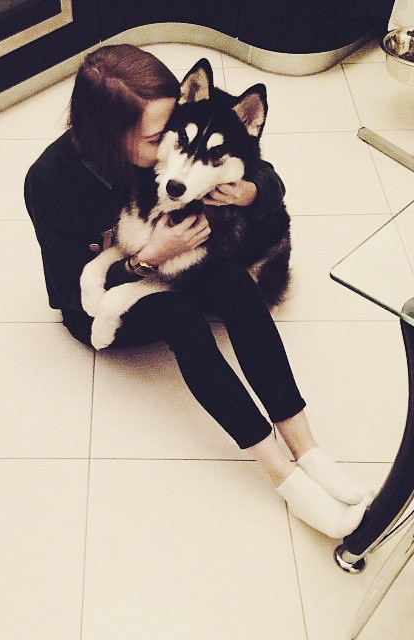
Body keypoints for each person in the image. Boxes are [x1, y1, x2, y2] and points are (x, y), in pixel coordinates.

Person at [24, 44, 373, 539]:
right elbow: (70, 292)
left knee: (235, 283)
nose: (176, 146)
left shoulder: (170, 124)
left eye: (174, 125)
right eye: (158, 137)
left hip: (177, 261)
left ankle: (307, 447)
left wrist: (251, 191)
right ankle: (284, 476)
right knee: (182, 319)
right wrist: (148, 258)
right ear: (110, 135)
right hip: (100, 302)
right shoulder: (50, 182)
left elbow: (254, 163)